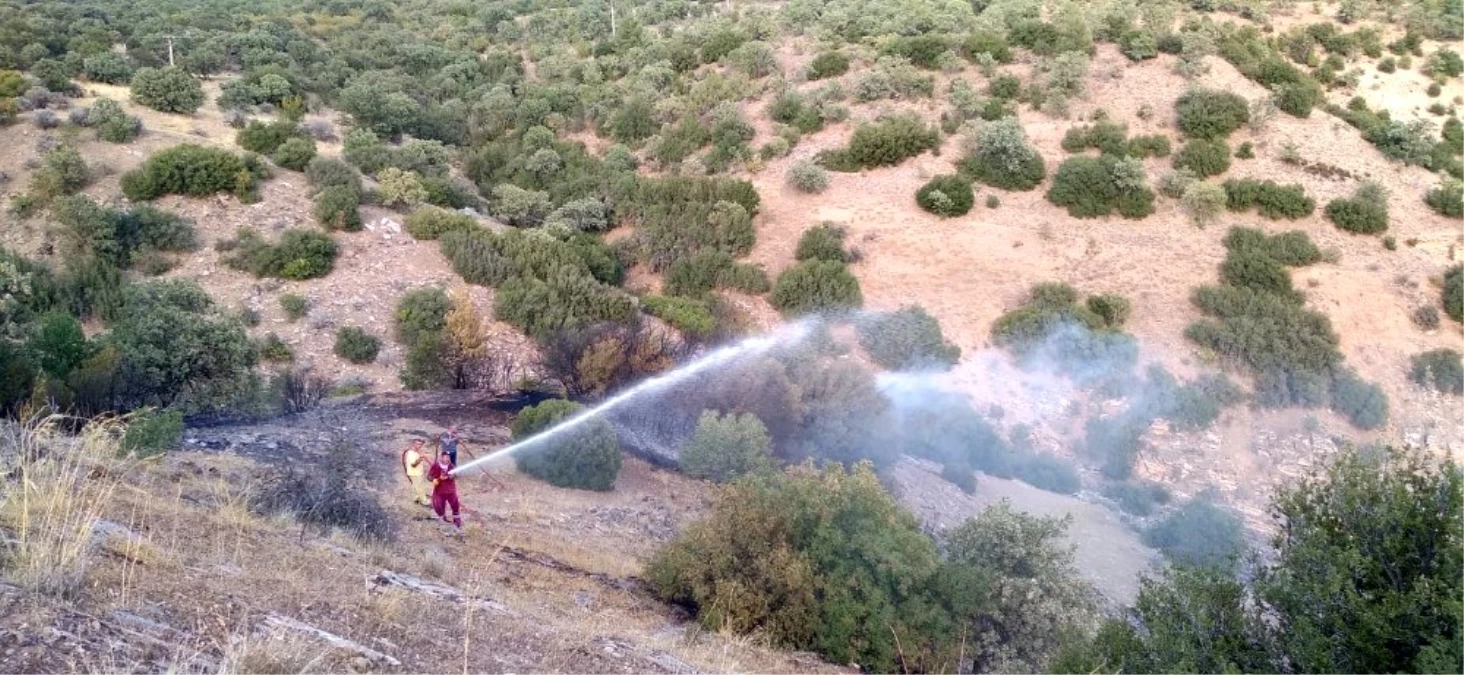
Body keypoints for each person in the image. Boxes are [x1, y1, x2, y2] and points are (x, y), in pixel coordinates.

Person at [427, 449, 462, 531]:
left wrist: (452, 476)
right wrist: (434, 480)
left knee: (455, 505)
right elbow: (428, 476)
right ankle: (442, 520)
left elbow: (456, 475)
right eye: (445, 457)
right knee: (439, 506)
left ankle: (457, 520)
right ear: (441, 457)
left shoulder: (452, 466)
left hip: (451, 490)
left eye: (448, 457)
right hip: (440, 491)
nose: (447, 459)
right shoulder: (436, 466)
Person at [400, 438, 430, 507]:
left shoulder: (416, 451)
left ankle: (416, 498)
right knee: (420, 487)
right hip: (415, 473)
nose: (419, 446)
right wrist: (420, 458)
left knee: (414, 486)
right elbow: (413, 465)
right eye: (418, 444)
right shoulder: (411, 453)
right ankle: (424, 501)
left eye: (421, 444)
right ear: (413, 444)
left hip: (415, 472)